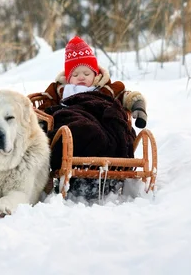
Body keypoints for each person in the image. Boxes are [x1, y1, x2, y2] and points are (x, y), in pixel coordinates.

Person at [36, 36, 148, 199]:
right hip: (73, 122)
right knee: (80, 128)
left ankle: (105, 174)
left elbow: (127, 96)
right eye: (75, 74)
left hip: (103, 120)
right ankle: (81, 179)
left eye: (86, 73)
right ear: (67, 77)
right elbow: (43, 107)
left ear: (95, 74)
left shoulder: (106, 88)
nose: (81, 77)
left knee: (111, 127)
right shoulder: (59, 90)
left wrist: (138, 106)